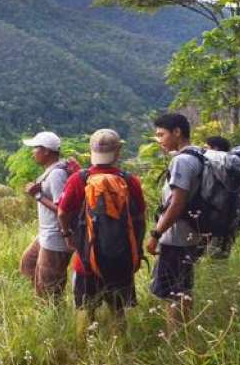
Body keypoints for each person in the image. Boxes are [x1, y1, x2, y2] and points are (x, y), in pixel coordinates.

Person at [58, 129, 146, 335]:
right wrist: (137, 251)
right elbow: (140, 219)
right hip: (121, 259)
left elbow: (62, 213)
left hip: (87, 260)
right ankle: (119, 352)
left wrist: (68, 235)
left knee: (85, 311)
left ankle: (85, 354)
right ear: (118, 152)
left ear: (91, 151)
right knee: (118, 311)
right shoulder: (130, 180)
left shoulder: (79, 180)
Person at [147, 113, 205, 333]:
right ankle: (185, 334)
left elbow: (177, 203)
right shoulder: (199, 153)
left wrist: (156, 234)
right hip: (192, 233)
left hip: (177, 236)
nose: (159, 139)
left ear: (177, 132)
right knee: (183, 288)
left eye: (161, 134)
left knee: (172, 292)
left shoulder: (182, 160)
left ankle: (175, 339)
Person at [18, 131, 74, 300]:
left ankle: (52, 312)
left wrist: (37, 196)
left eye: (36, 148)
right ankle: (41, 298)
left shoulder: (57, 174)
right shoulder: (52, 170)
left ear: (47, 151)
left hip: (56, 236)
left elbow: (63, 209)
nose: (32, 152)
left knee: (49, 286)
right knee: (28, 265)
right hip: (45, 234)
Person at [203, 136, 240, 259]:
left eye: (207, 146)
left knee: (207, 236)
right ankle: (221, 261)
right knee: (225, 236)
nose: (205, 149)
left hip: (210, 204)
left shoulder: (207, 157)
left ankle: (209, 261)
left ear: (215, 147)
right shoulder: (234, 159)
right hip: (231, 205)